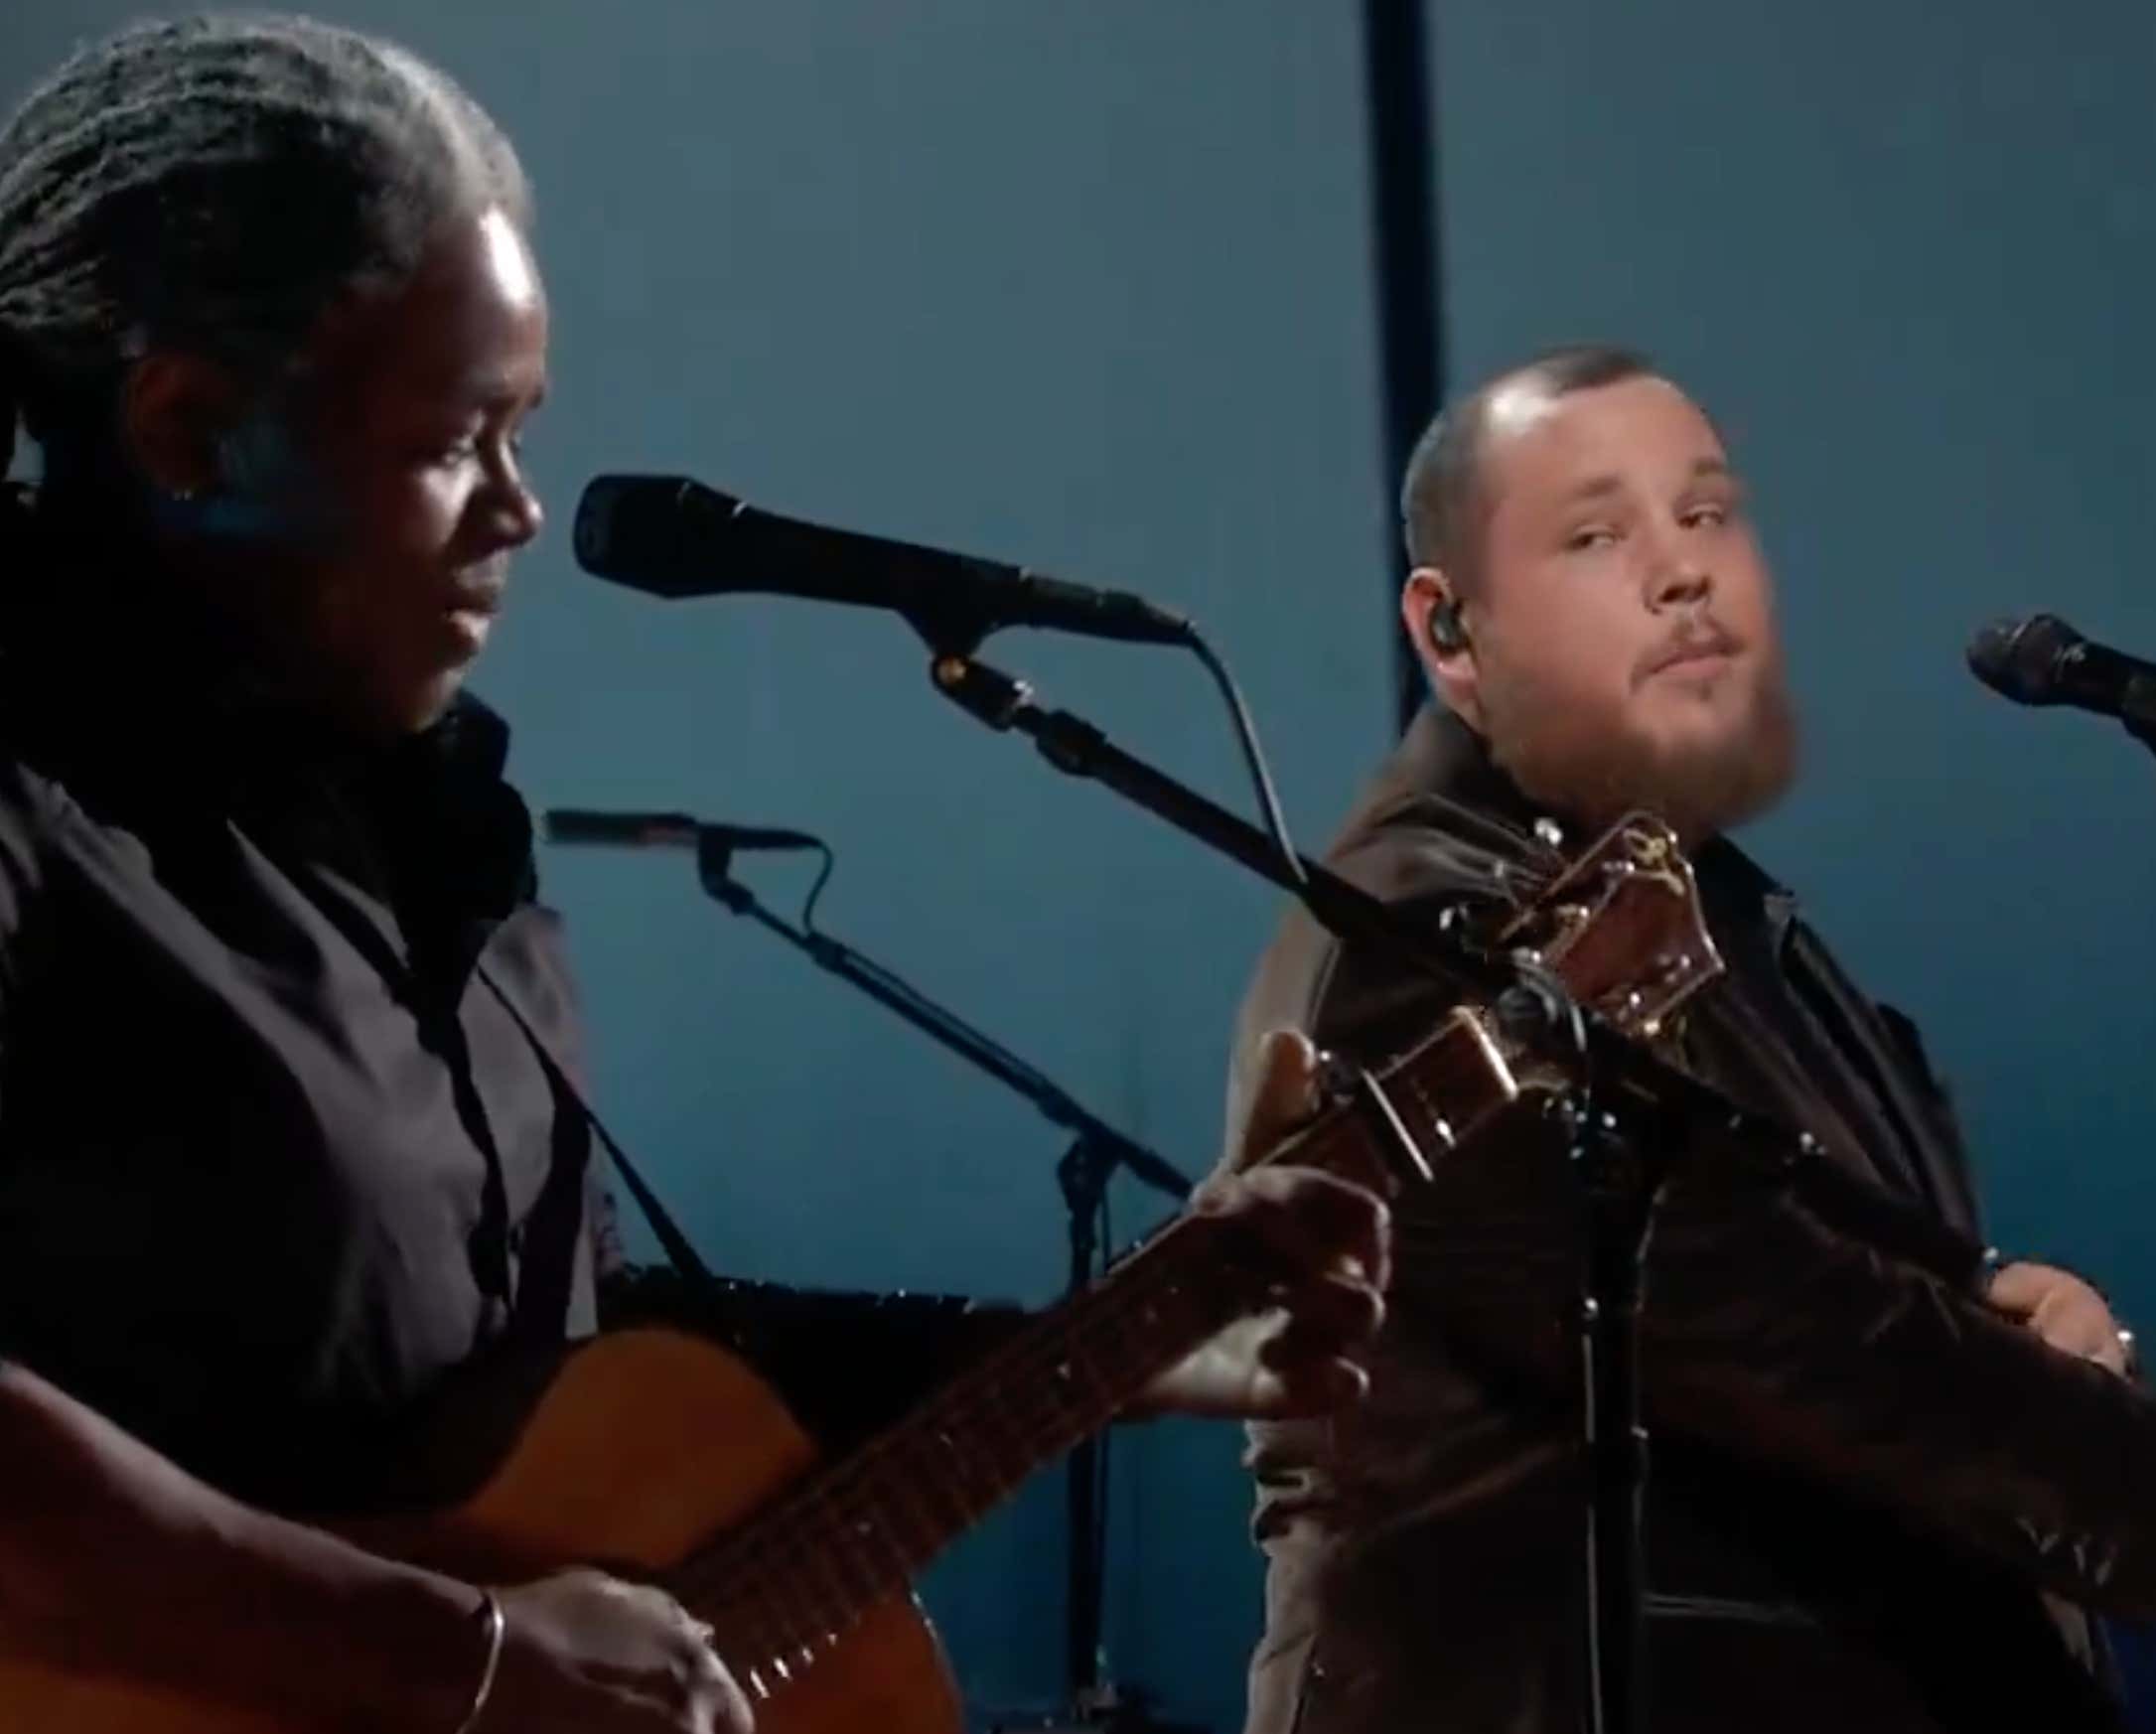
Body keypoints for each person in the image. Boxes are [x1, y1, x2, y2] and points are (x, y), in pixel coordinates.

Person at [0, 17, 1389, 1733]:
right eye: (456, 439)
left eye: (525, 431)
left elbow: (561, 1371)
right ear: (189, 427)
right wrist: (468, 1660)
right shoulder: (36, 819)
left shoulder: (439, 844)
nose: (518, 510)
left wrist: (1103, 1351)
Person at [1219, 343, 2156, 1734]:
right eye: (1596, 533)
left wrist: (2009, 1303)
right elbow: (1765, 1314)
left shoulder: (1727, 919)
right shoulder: (1412, 931)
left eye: (1707, 512)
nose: (1685, 572)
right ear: (1451, 632)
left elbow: (1858, 1294)